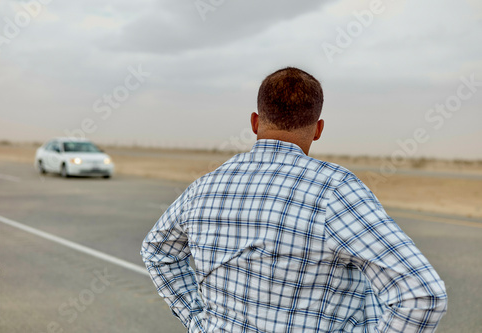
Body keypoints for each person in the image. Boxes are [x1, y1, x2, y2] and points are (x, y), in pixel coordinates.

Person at [140, 67, 447, 332]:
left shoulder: (205, 186)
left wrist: (197, 320)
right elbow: (421, 295)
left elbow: (157, 251)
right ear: (318, 129)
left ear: (255, 122)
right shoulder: (334, 190)